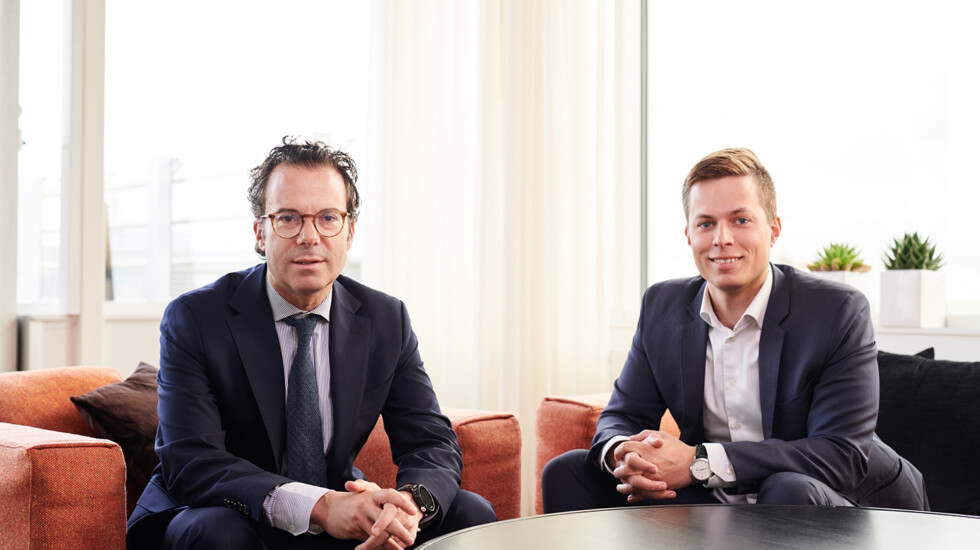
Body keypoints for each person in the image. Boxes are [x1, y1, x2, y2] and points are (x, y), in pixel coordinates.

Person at [127, 137, 496, 550]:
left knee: (471, 514)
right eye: (288, 218)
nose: (309, 236)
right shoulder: (196, 318)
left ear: (349, 232)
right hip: (229, 512)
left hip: (337, 514)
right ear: (260, 233)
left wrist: (409, 505)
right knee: (218, 532)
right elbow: (191, 461)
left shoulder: (385, 319)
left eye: (327, 218)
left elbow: (430, 441)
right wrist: (320, 506)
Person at [542, 147, 928, 512]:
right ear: (688, 234)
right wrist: (625, 454)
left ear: (773, 230)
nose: (722, 239)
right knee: (568, 471)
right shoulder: (662, 307)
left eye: (740, 220)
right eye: (706, 223)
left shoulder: (837, 310)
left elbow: (841, 456)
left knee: (786, 489)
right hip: (719, 503)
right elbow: (622, 415)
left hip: (852, 504)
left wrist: (700, 462)